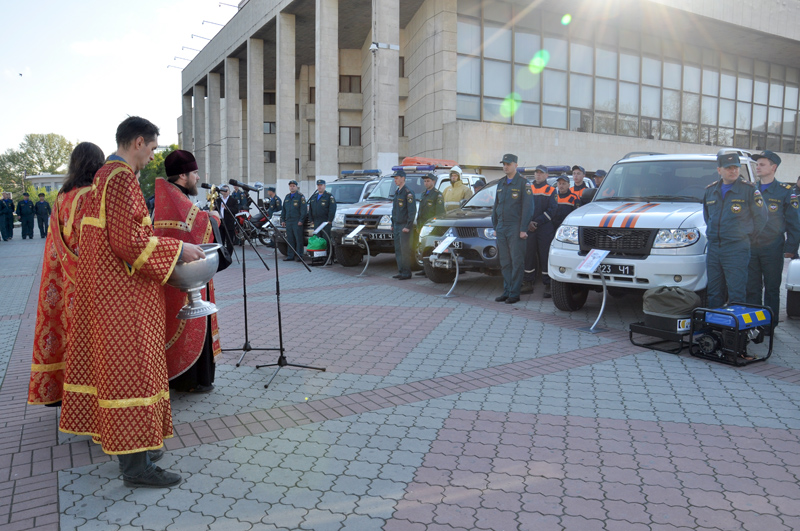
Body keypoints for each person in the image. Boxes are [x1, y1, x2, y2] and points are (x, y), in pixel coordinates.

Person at [59, 116, 205, 488]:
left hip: (109, 294)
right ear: (138, 142)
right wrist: (178, 249)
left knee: (124, 374)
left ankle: (139, 449)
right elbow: (130, 241)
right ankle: (136, 468)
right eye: (152, 148)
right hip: (123, 301)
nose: (151, 156)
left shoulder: (103, 176)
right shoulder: (121, 177)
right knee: (133, 375)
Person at [28, 142, 106, 407]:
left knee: (65, 331)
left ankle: (62, 392)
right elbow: (92, 241)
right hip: (85, 280)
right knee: (89, 338)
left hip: (61, 278)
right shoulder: (91, 195)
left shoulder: (62, 195)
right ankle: (87, 397)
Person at [155, 149, 222, 393]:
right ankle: (191, 381)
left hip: (181, 274)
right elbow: (199, 230)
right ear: (182, 175)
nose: (197, 177)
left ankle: (191, 379)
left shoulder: (172, 195)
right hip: (186, 278)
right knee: (190, 324)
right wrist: (214, 218)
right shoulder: (176, 198)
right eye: (194, 173)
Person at [703, 152, 767, 309]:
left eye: (736, 167)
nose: (733, 171)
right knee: (714, 291)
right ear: (719, 170)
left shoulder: (749, 190)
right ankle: (715, 322)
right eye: (728, 168)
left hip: (736, 248)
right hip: (714, 247)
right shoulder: (710, 190)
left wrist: (746, 236)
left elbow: (761, 217)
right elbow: (708, 217)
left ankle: (734, 324)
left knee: (736, 292)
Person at [745, 150, 800, 329]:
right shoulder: (750, 189)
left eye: (762, 164)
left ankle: (768, 325)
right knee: (752, 288)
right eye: (757, 164)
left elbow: (794, 223)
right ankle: (753, 324)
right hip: (751, 247)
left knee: (771, 288)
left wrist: (790, 248)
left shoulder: (785, 191)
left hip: (773, 248)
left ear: (773, 167)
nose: (758, 167)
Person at [492, 153, 533, 304]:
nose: (505, 166)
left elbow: (528, 208)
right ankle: (507, 291)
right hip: (502, 227)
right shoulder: (501, 183)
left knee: (517, 261)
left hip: (515, 227)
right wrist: (495, 226)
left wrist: (523, 229)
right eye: (504, 164)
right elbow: (496, 206)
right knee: (505, 262)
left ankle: (514, 293)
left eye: (508, 164)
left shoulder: (523, 183)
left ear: (516, 165)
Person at [522, 165, 557, 298]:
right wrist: (528, 222)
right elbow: (523, 207)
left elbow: (552, 210)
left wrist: (536, 222)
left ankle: (548, 284)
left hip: (544, 228)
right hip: (529, 227)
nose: (538, 175)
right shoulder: (528, 188)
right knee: (528, 255)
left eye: (541, 173)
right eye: (536, 173)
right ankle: (528, 282)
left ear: (546, 175)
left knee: (545, 255)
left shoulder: (551, 190)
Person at [415, 173, 446, 277]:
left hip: (431, 226)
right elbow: (420, 211)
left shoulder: (437, 195)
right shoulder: (424, 194)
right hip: (423, 226)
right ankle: (425, 269)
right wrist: (418, 225)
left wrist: (436, 227)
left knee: (431, 248)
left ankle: (431, 270)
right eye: (425, 181)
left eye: (428, 181)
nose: (426, 183)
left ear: (433, 182)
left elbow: (439, 213)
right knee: (423, 248)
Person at [391, 169, 416, 279]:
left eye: (397, 178)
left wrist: (408, 226)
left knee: (404, 250)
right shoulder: (397, 192)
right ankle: (401, 270)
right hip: (397, 225)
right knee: (398, 249)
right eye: (395, 178)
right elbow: (394, 210)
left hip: (403, 225)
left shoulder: (408, 193)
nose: (395, 180)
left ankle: (406, 272)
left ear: (403, 178)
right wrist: (392, 223)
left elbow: (412, 211)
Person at [281, 179, 307, 261]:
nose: (292, 187)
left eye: (293, 186)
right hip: (289, 221)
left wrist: (301, 220)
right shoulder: (287, 197)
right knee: (290, 239)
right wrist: (283, 220)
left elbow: (303, 210)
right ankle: (290, 255)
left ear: (296, 187)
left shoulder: (300, 196)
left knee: (298, 239)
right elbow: (284, 209)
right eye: (290, 186)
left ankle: (299, 255)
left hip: (297, 221)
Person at [307, 179, 336, 246]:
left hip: (325, 222)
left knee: (326, 239)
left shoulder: (329, 196)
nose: (319, 187)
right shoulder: (314, 196)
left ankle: (327, 252)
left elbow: (332, 209)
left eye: (321, 185)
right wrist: (311, 219)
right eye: (318, 185)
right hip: (316, 222)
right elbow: (310, 209)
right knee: (317, 239)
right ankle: (319, 252)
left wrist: (330, 220)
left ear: (324, 186)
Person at [215, 184, 240, 248]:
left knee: (229, 241)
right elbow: (216, 210)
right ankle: (222, 253)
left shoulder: (233, 200)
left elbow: (236, 210)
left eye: (227, 190)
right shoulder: (218, 200)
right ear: (221, 191)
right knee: (221, 240)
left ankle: (229, 253)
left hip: (229, 222)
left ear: (229, 191)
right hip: (220, 222)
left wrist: (227, 208)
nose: (225, 192)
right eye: (224, 190)